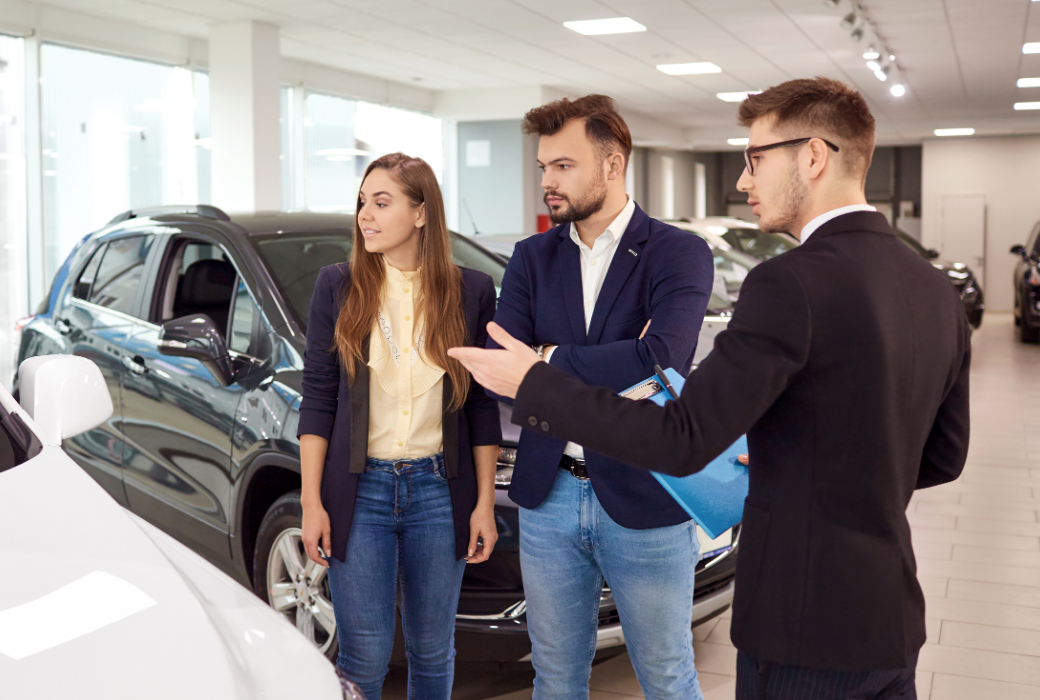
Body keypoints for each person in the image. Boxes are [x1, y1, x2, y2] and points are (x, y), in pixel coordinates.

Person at [449, 77, 970, 700]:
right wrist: (795, 460)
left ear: (813, 156)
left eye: (755, 158)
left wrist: (537, 375)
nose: (744, 180)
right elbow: (943, 456)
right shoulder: (934, 286)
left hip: (802, 618)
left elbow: (678, 426)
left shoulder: (786, 282)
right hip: (890, 616)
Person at [489, 95, 714, 700]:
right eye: (543, 167)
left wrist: (544, 359)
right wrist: (616, 358)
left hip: (645, 492)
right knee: (555, 677)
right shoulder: (533, 257)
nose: (548, 181)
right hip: (549, 495)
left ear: (613, 165)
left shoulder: (676, 251)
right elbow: (499, 365)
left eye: (564, 165)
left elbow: (660, 360)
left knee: (667, 676)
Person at [297, 152, 502, 700]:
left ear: (421, 212)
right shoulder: (337, 286)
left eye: (381, 202)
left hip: (439, 491)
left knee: (433, 651)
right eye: (362, 202)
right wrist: (311, 502)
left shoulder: (471, 290)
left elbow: (481, 407)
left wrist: (484, 503)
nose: (365, 215)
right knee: (363, 655)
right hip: (359, 491)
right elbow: (318, 398)